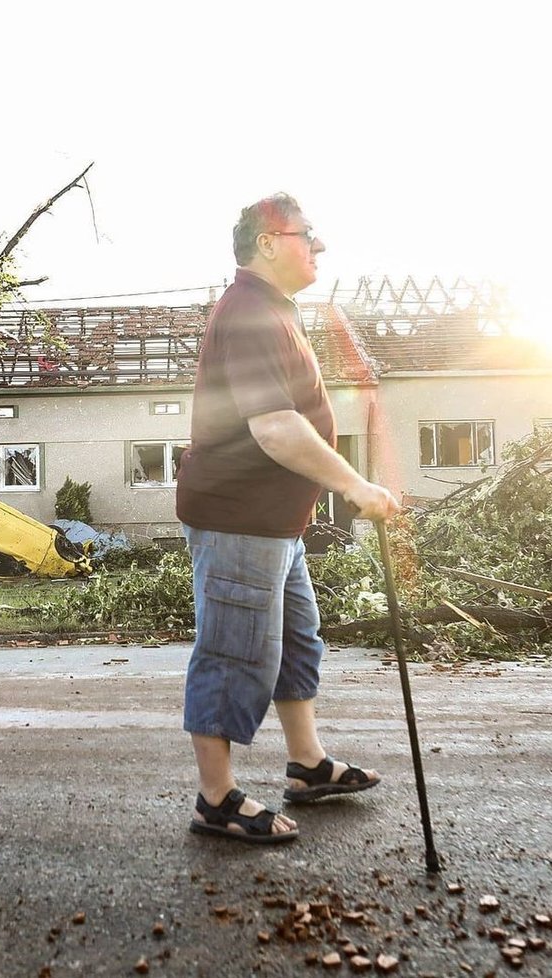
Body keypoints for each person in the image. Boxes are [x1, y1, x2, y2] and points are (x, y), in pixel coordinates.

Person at [175, 193, 400, 844]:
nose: (319, 246)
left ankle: (307, 765)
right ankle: (216, 800)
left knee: (297, 640)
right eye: (308, 235)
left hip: (275, 522)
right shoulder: (247, 313)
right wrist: (356, 486)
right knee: (234, 651)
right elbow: (276, 429)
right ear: (269, 241)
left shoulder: (272, 310)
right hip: (239, 520)